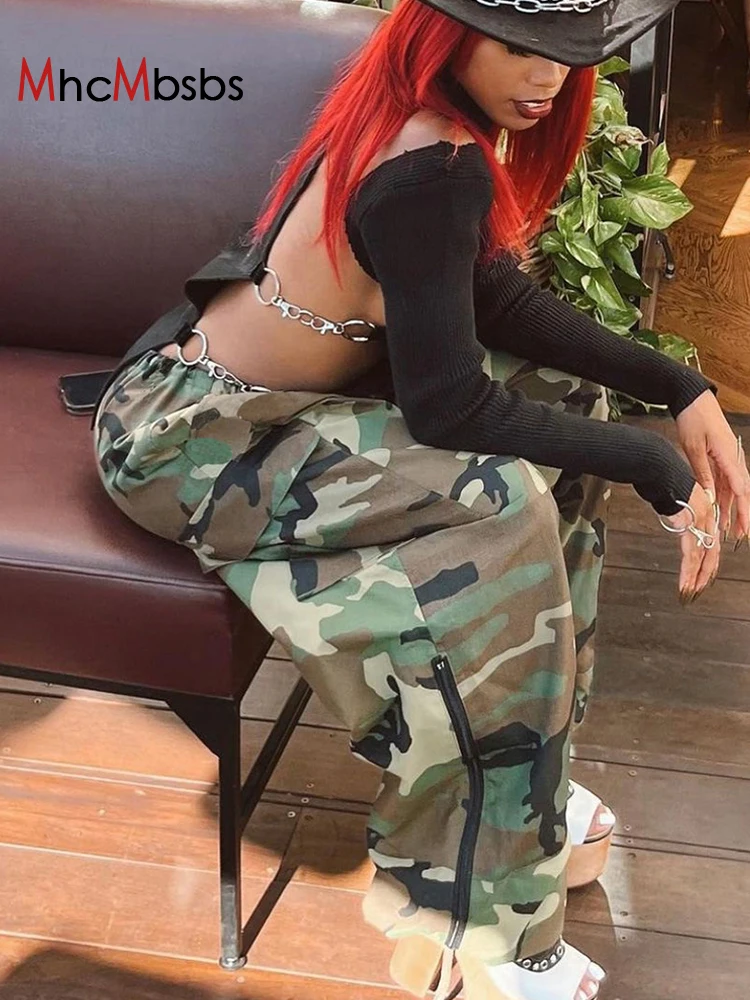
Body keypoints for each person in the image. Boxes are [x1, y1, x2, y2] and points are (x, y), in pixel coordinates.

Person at [91, 0, 750, 996]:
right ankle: (478, 920)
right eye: (518, 46)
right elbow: (449, 406)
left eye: (566, 54)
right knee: (499, 507)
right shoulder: (430, 160)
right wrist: (649, 462)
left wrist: (677, 387)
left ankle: (529, 789)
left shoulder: (424, 121)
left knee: (564, 408)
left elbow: (495, 300)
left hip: (265, 408)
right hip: (189, 439)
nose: (546, 78)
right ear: (448, 35)